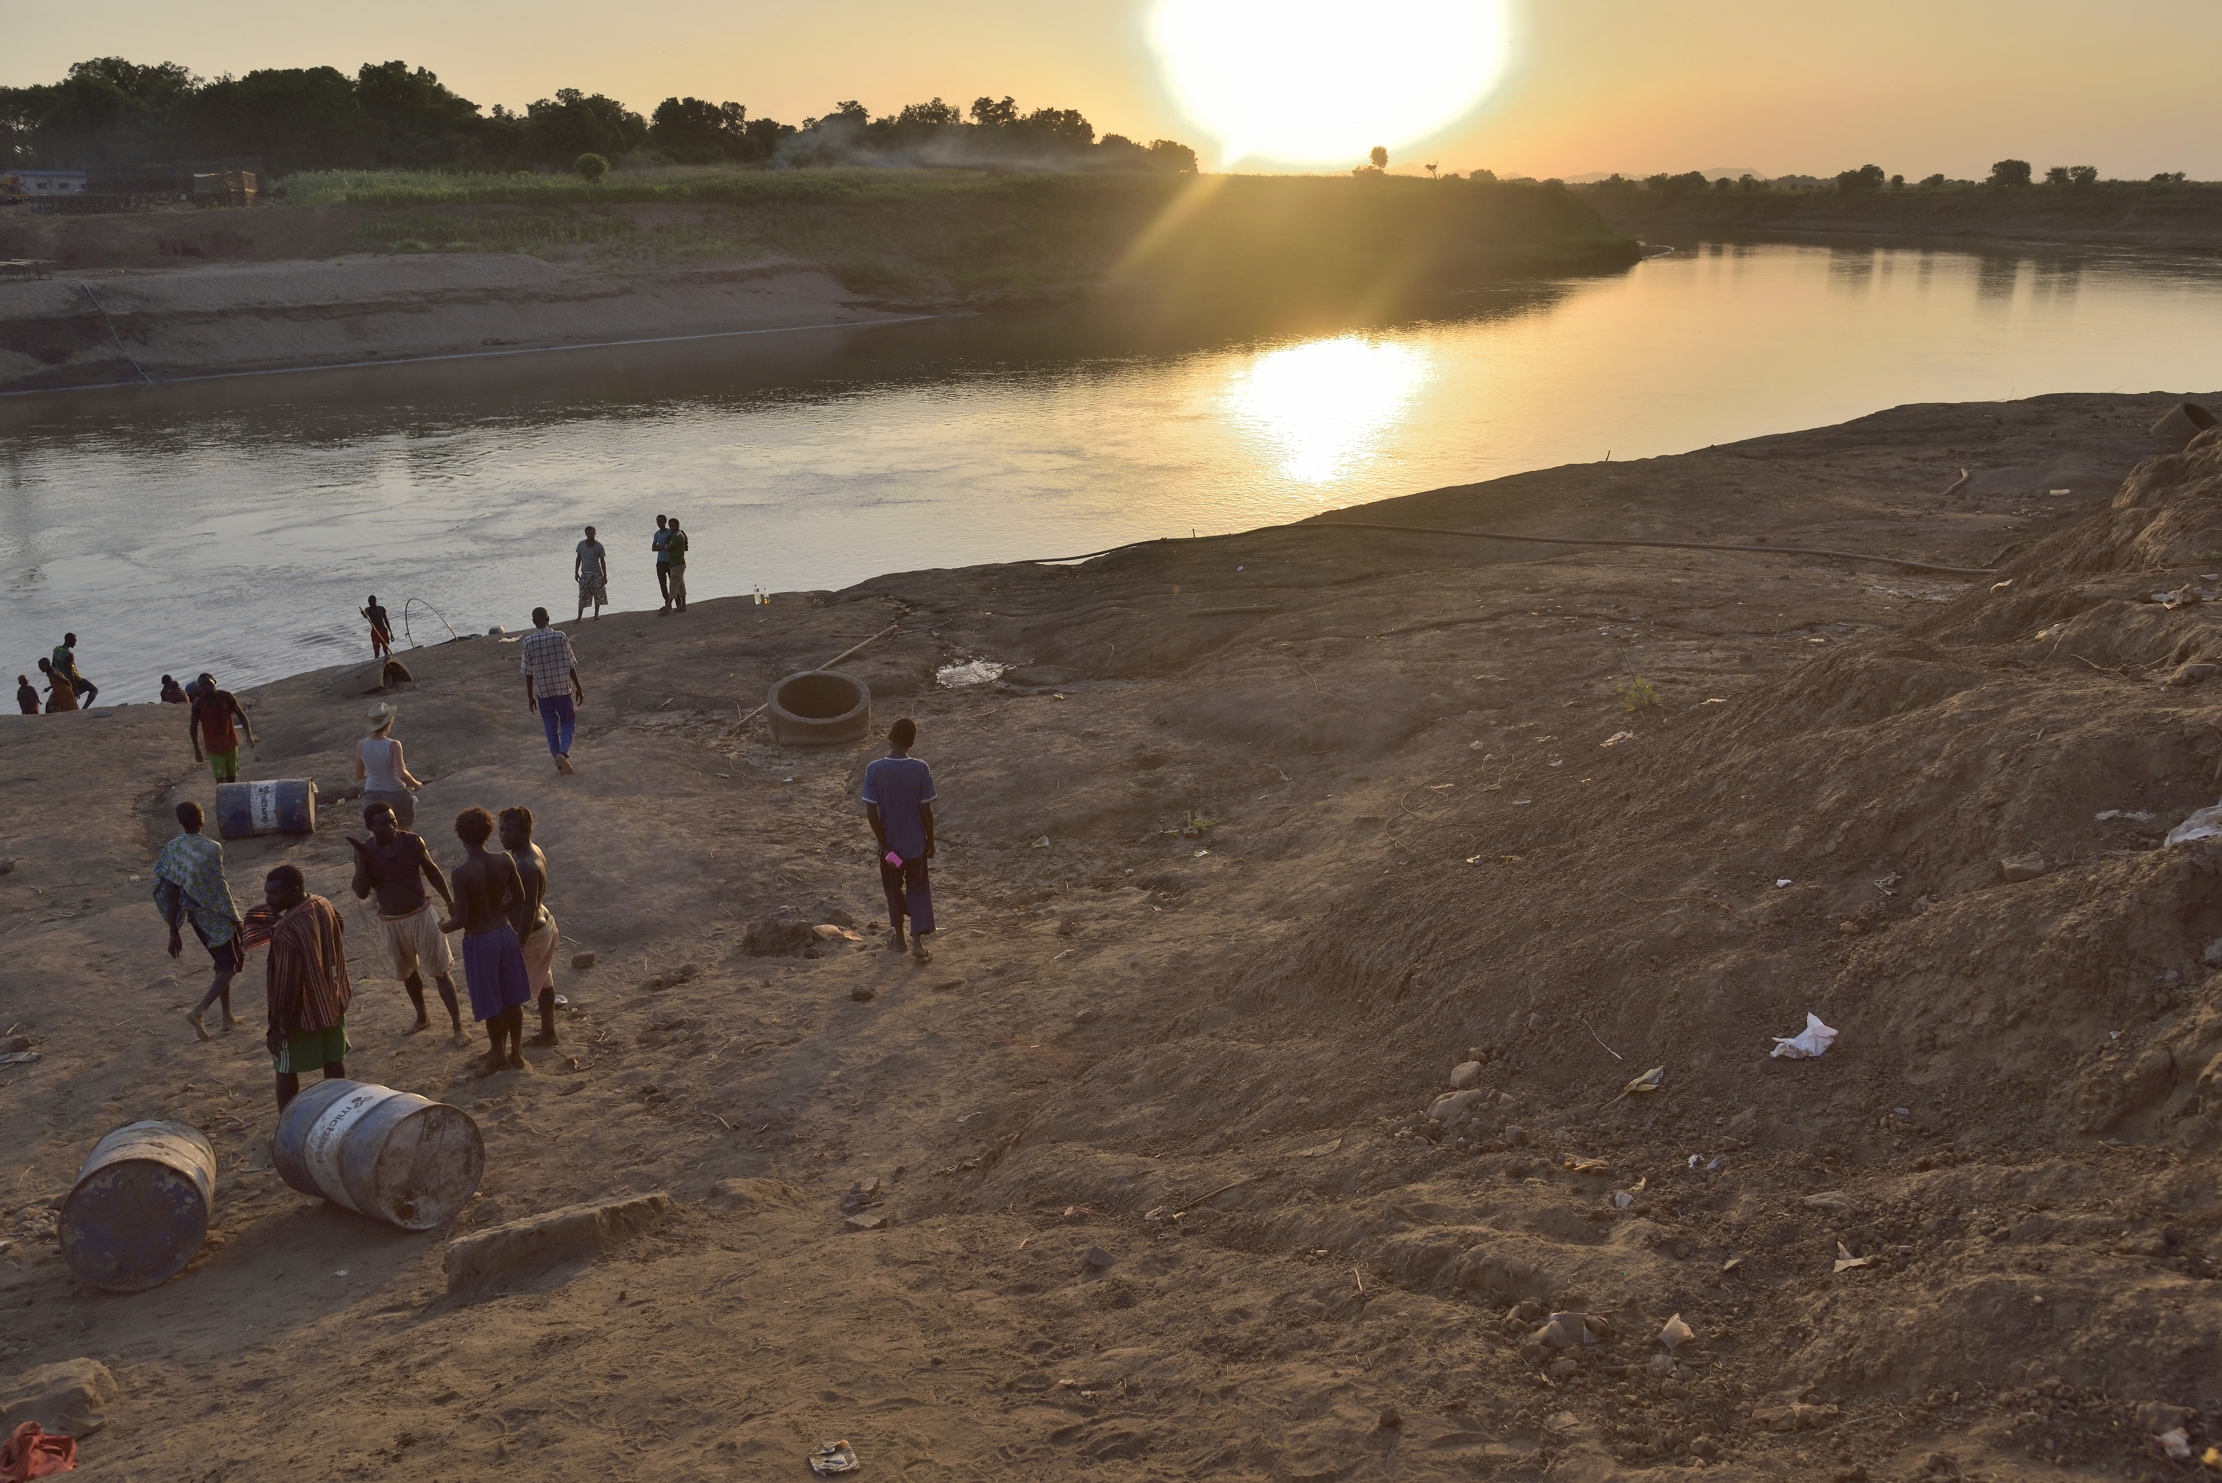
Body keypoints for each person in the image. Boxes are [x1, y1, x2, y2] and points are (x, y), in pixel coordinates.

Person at [348, 800, 464, 1040]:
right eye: (383, 824)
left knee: (441, 972)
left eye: (392, 820)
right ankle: (422, 1017)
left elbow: (432, 871)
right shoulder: (366, 852)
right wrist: (362, 860)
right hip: (391, 922)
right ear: (370, 827)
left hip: (422, 915)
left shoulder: (412, 842)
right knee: (409, 973)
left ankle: (458, 1026)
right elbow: (361, 891)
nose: (390, 826)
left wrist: (450, 902)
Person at [439, 807, 534, 1075]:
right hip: (505, 934)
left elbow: (463, 918)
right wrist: (498, 910)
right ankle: (516, 1052)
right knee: (512, 998)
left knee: (492, 1002)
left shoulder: (461, 873)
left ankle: (497, 1055)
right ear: (489, 831)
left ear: (461, 836)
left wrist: (444, 926)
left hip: (480, 941)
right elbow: (520, 897)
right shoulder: (504, 860)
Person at [262, 864, 351, 1112]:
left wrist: (279, 1026)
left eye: (274, 894)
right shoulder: (323, 903)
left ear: (295, 889)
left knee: (286, 1068)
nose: (268, 899)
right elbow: (339, 929)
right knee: (333, 1060)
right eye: (267, 892)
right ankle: (341, 1113)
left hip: (302, 1012)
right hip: (332, 1000)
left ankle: (286, 1125)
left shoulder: (287, 929)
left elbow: (286, 984)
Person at [153, 801, 245, 1040]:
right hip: (215, 915)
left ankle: (227, 1018)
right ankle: (200, 1011)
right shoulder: (212, 848)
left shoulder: (173, 849)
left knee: (220, 962)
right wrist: (235, 917)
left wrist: (174, 930)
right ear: (202, 819)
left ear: (181, 822)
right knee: (231, 965)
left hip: (195, 917)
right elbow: (219, 888)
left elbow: (170, 889)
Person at [862, 716, 938, 962]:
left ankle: (899, 939)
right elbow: (926, 811)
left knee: (893, 890)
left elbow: (871, 813)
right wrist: (930, 840)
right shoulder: (920, 769)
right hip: (915, 845)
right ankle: (917, 941)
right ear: (912, 743)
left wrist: (884, 847)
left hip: (890, 849)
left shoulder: (874, 769)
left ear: (890, 736)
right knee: (917, 888)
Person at [499, 806, 562, 1045]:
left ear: (525, 831)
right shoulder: (528, 852)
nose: (503, 836)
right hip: (544, 928)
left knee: (508, 994)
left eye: (510, 831)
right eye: (501, 830)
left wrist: (519, 943)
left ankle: (506, 1049)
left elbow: (527, 907)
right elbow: (521, 899)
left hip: (531, 934)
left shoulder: (525, 863)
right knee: (544, 980)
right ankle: (548, 1032)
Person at [519, 608, 584, 775]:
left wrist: (530, 696)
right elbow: (571, 664)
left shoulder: (528, 642)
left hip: (543, 690)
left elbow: (528, 671)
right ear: (549, 618)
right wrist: (578, 687)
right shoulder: (560, 636)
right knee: (568, 721)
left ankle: (560, 763)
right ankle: (563, 754)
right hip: (562, 686)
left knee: (550, 724)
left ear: (533, 621)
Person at [356, 702, 425, 826]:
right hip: (395, 793)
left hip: (371, 793)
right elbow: (401, 773)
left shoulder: (362, 745)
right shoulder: (393, 745)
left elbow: (359, 774)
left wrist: (376, 774)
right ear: (389, 723)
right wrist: (416, 784)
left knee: (376, 832)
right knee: (405, 831)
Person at [189, 672, 255, 782]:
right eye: (203, 685)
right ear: (200, 688)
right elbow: (193, 727)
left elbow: (241, 716)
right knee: (220, 781)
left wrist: (249, 735)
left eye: (209, 683)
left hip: (231, 743)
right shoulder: (199, 704)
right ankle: (224, 799)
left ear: (214, 682)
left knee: (232, 778)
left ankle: (230, 799)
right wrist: (196, 749)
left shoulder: (227, 697)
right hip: (213, 748)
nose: (207, 687)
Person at [50, 634, 96, 708]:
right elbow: (70, 672)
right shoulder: (69, 654)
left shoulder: (56, 649)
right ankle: (84, 708)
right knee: (94, 689)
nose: (75, 643)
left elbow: (53, 666)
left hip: (62, 678)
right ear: (68, 640)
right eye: (74, 641)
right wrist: (75, 688)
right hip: (74, 678)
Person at [575, 526, 609, 621]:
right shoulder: (581, 545)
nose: (590, 535)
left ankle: (596, 614)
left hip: (596, 573)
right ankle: (579, 617)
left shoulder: (599, 546)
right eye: (588, 534)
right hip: (585, 573)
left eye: (591, 533)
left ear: (595, 533)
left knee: (597, 594)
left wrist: (605, 575)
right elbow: (578, 558)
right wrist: (576, 572)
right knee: (582, 595)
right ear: (586, 534)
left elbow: (602, 561)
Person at [663, 517, 689, 614]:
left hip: (677, 564)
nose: (671, 528)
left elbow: (669, 547)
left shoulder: (678, 536)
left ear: (677, 525)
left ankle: (667, 607)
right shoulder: (675, 535)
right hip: (676, 564)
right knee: (680, 585)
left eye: (673, 526)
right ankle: (683, 605)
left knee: (673, 585)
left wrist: (666, 546)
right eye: (670, 526)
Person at [651, 514, 672, 609]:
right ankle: (667, 603)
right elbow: (653, 548)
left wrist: (661, 547)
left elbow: (670, 546)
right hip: (660, 561)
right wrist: (664, 547)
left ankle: (678, 602)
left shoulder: (670, 532)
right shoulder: (657, 534)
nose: (659, 523)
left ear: (665, 521)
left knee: (674, 582)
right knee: (662, 584)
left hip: (669, 561)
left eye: (660, 521)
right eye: (657, 521)